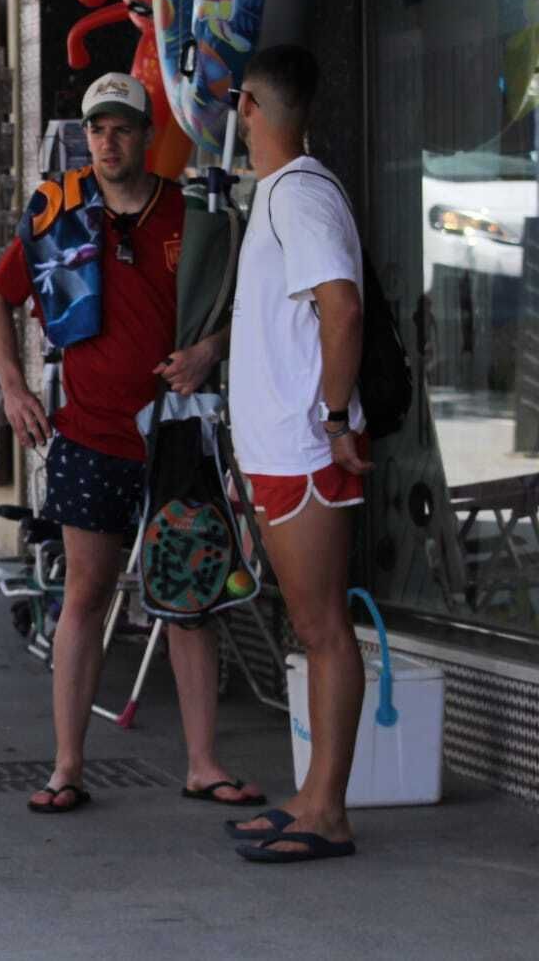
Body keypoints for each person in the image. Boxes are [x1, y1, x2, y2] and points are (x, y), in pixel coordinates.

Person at [0, 72, 260, 814]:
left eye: (122, 128)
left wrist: (209, 353)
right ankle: (67, 766)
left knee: (189, 599)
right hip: (90, 436)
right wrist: (12, 387)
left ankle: (203, 763)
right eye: (97, 129)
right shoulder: (59, 212)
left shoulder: (193, 213)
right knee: (86, 595)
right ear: (86, 137)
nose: (108, 141)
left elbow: (250, 304)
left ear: (145, 136)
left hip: (177, 437)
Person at [225, 45, 369, 864]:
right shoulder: (284, 194)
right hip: (288, 448)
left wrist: (338, 416)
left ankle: (330, 811)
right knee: (311, 629)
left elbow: (340, 310)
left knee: (323, 628)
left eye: (235, 109)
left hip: (306, 449)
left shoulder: (300, 195)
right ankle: (314, 797)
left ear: (249, 104)